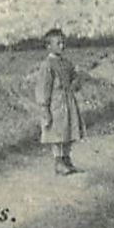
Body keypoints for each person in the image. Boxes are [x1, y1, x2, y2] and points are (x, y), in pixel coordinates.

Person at [33, 28, 84, 176]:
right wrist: (44, 108)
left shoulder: (66, 63)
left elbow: (74, 77)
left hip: (68, 103)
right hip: (56, 104)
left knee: (69, 131)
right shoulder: (47, 65)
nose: (62, 46)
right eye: (58, 43)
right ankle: (58, 161)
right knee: (57, 134)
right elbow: (43, 88)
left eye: (63, 43)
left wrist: (75, 83)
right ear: (49, 46)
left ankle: (67, 159)